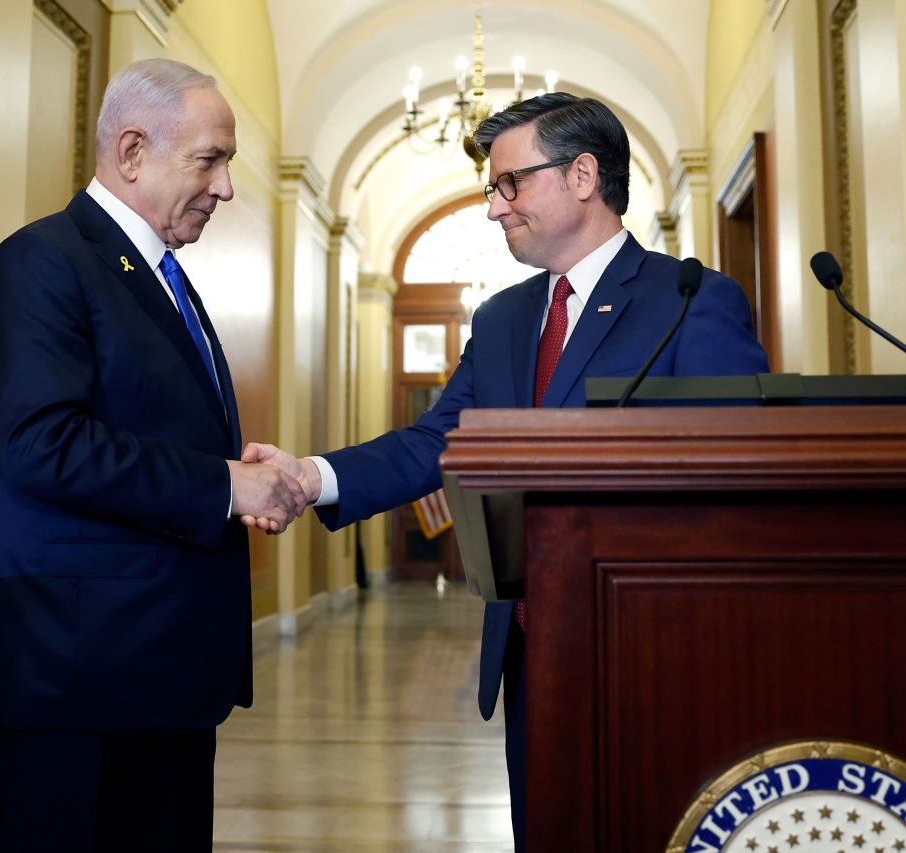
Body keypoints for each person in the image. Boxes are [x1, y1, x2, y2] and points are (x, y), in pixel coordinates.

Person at [244, 93, 770, 850]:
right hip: (531, 651)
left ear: (583, 175)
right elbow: (435, 441)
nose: (494, 208)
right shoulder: (501, 319)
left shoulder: (691, 301)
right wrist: (309, 475)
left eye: (509, 184)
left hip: (657, 654)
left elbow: (737, 475)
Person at [0, 58, 306, 852]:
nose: (225, 187)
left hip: (159, 673)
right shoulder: (45, 260)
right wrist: (227, 484)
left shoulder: (162, 278)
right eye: (209, 160)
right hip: (74, 679)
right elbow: (41, 445)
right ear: (130, 153)